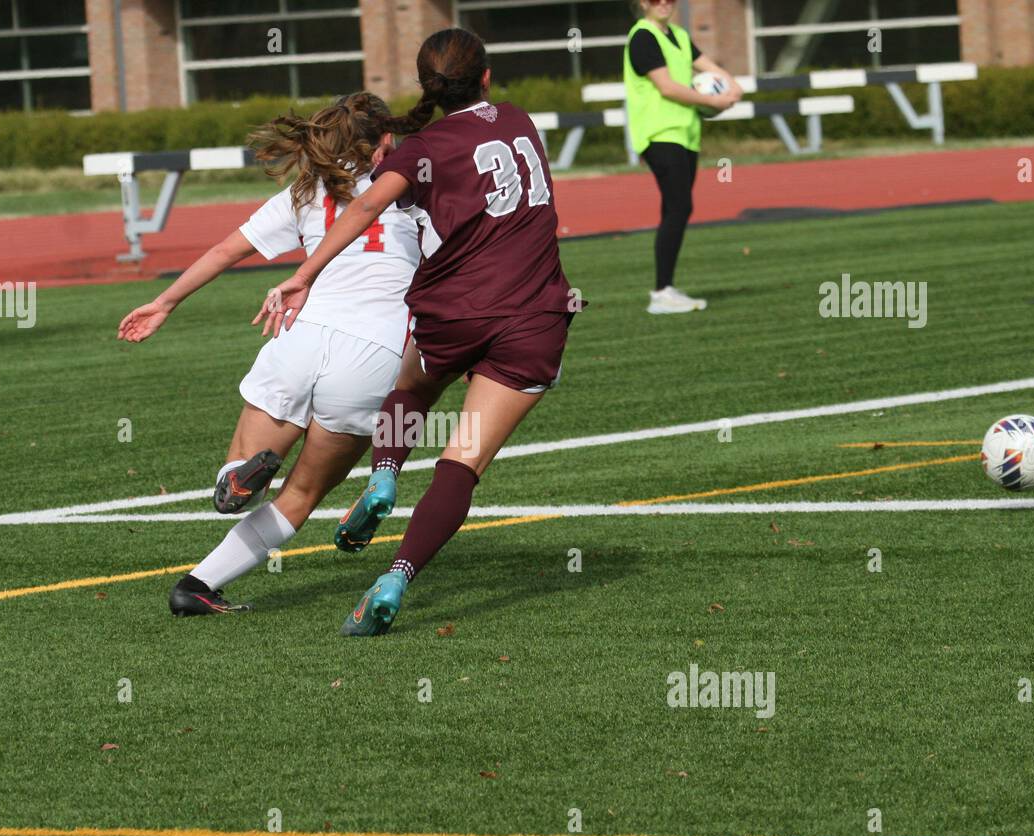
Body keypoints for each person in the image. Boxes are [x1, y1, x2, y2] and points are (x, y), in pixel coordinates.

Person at [257, 28, 577, 636]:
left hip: (454, 312)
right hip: (534, 318)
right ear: (486, 77)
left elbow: (364, 208)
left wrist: (304, 274)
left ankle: (382, 478)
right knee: (462, 463)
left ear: (426, 85)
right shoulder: (520, 119)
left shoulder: (421, 149)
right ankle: (397, 576)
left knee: (411, 390)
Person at [117, 92, 421, 616]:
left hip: (301, 338)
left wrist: (165, 302)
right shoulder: (419, 194)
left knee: (245, 466)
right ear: (384, 143)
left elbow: (224, 251)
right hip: (373, 352)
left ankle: (233, 487)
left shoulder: (308, 193)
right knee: (300, 495)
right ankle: (196, 588)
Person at [625, 0, 741, 314]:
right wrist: (712, 101)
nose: (663, 3)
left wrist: (731, 87)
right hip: (660, 134)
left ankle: (666, 289)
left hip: (684, 135)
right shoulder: (643, 36)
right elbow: (667, 88)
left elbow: (711, 69)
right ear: (641, 3)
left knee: (675, 207)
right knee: (679, 206)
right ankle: (662, 293)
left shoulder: (676, 34)